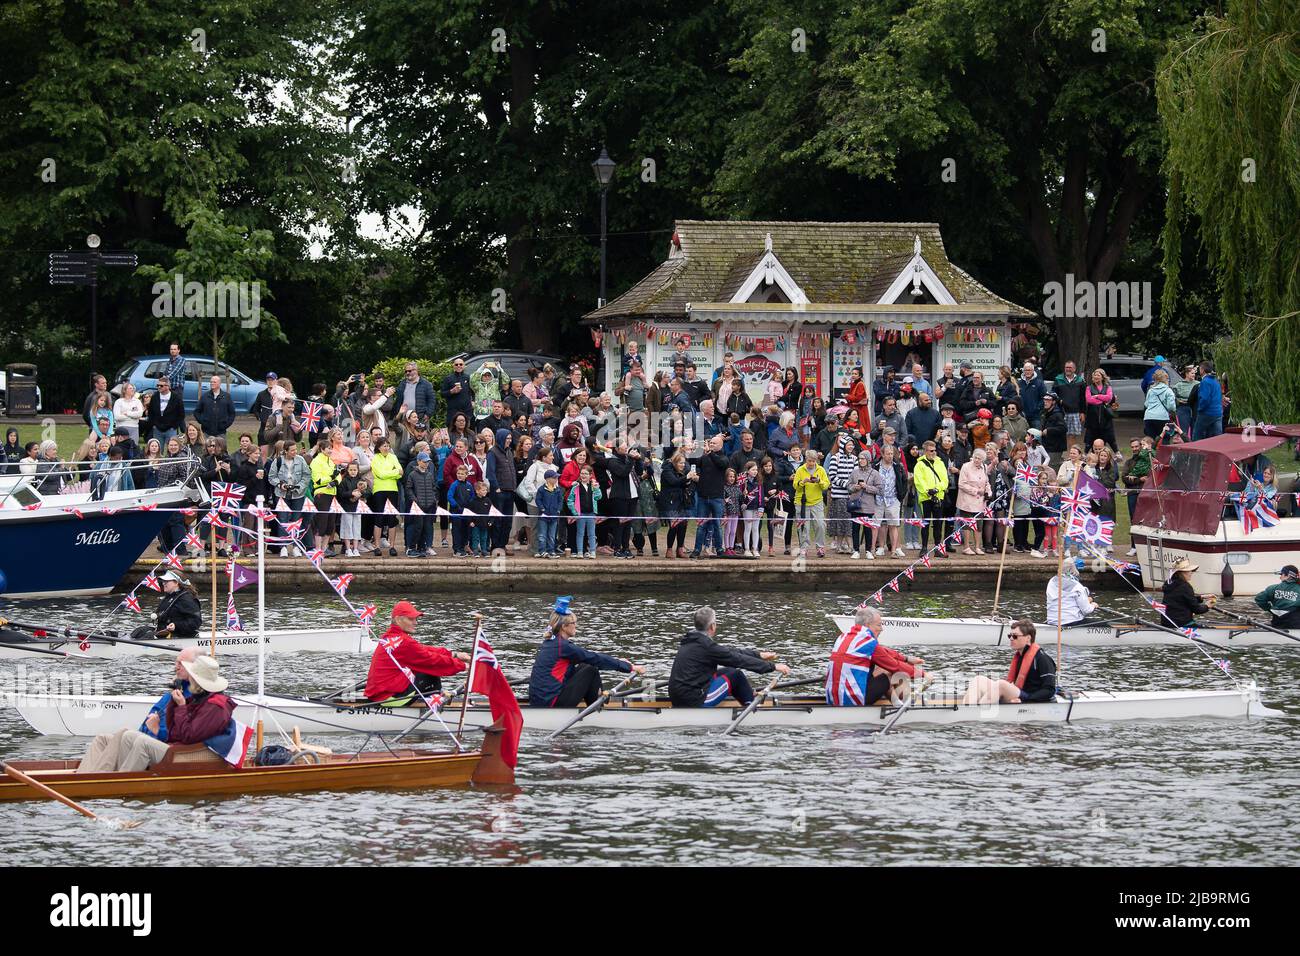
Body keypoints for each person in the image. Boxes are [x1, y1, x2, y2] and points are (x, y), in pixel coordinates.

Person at [76, 653, 238, 773]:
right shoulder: (197, 698)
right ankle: (96, 777)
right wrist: (174, 706)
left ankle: (111, 783)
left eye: (192, 677)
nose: (189, 680)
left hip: (193, 753)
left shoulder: (216, 706)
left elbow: (189, 736)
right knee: (126, 735)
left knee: (141, 743)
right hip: (179, 747)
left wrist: (180, 706)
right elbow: (175, 732)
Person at [529, 597, 644, 707]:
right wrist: (629, 667)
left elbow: (585, 660)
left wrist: (618, 661)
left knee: (586, 665)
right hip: (552, 703)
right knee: (591, 669)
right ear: (564, 626)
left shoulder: (550, 642)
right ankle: (597, 708)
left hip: (540, 700)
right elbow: (595, 658)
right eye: (574, 623)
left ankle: (597, 701)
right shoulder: (564, 647)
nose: (576, 626)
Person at [668, 606, 789, 708]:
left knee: (727, 672)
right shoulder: (706, 646)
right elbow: (737, 659)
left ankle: (748, 699)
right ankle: (752, 708)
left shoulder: (690, 640)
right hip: (694, 701)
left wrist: (758, 655)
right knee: (735, 675)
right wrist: (773, 666)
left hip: (677, 697)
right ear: (712, 626)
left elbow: (729, 652)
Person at [364, 601, 470, 703]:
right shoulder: (402, 642)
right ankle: (436, 705)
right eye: (411, 619)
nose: (415, 623)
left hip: (381, 693)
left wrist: (455, 654)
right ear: (398, 619)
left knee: (424, 669)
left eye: (415, 619)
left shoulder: (391, 637)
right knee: (430, 672)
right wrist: (464, 666)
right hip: (388, 699)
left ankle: (434, 700)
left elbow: (423, 649)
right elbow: (431, 660)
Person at [825, 607, 925, 706]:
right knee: (895, 674)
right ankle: (907, 707)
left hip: (832, 698)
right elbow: (895, 667)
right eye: (879, 625)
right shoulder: (868, 643)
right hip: (851, 700)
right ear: (868, 625)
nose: (881, 629)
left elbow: (884, 651)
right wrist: (922, 675)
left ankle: (897, 704)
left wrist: (907, 659)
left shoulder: (844, 637)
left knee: (881, 669)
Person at [962, 620, 1057, 704]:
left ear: (1028, 638)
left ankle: (977, 714)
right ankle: (967, 710)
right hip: (1018, 693)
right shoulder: (1020, 656)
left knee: (1001, 684)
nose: (1011, 639)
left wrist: (1026, 700)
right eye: (1010, 636)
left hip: (1028, 697)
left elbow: (1049, 690)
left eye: (1015, 636)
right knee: (979, 680)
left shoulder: (1043, 659)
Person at [1161, 558, 1216, 628]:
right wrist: (1207, 606)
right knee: (1211, 629)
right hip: (1181, 624)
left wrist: (1201, 597)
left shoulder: (1169, 584)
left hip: (1166, 623)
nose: (1191, 573)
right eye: (1189, 571)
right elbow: (1197, 610)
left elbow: (1182, 600)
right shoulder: (1185, 586)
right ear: (1183, 573)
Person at [1044, 558, 1098, 625]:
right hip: (1070, 622)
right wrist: (1093, 605)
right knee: (1106, 625)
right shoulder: (1077, 586)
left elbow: (1065, 599)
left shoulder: (1052, 581)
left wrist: (1087, 601)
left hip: (1052, 621)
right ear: (1074, 571)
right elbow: (1086, 610)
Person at [154, 570, 202, 638]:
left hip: (179, 638)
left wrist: (176, 626)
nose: (163, 583)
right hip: (163, 635)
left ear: (176, 583)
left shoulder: (187, 599)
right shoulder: (168, 597)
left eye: (166, 581)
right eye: (163, 581)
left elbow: (196, 622)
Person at [145, 377, 185, 448]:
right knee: (157, 449)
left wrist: (174, 426)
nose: (159, 387)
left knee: (172, 449)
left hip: (171, 429)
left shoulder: (176, 397)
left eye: (161, 385)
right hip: (157, 429)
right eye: (158, 385)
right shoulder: (155, 397)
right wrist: (154, 425)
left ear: (168, 386)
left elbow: (181, 414)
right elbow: (151, 413)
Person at [1192, 361, 1224, 441]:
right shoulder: (1216, 381)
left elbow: (1205, 398)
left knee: (1197, 435)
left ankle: (1195, 452)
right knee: (1216, 437)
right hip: (1218, 412)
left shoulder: (1205, 381)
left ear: (1202, 370)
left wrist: (1200, 409)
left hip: (1207, 412)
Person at [441, 357, 473, 428]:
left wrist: (473, 401)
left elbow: (473, 392)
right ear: (453, 366)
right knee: (452, 431)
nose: (459, 366)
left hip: (466, 410)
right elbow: (442, 394)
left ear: (464, 366)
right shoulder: (448, 378)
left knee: (467, 430)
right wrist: (452, 391)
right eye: (456, 364)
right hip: (453, 411)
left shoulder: (468, 378)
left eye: (461, 364)